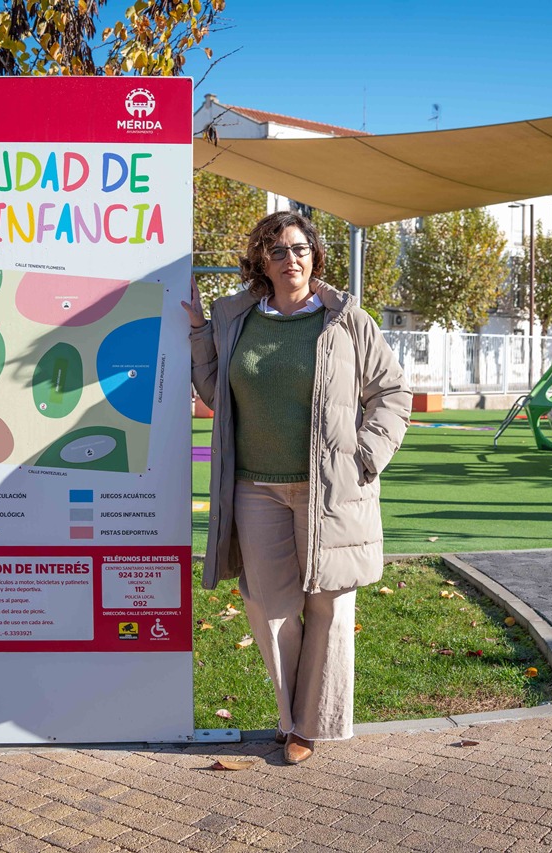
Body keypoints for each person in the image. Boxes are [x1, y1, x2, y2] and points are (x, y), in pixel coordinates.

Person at [185, 211, 410, 764]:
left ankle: (311, 726)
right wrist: (198, 333)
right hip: (254, 488)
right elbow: (216, 392)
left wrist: (365, 456)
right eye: (280, 250)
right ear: (261, 260)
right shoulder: (236, 318)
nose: (292, 259)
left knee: (329, 605)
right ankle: (289, 719)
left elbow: (391, 393)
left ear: (315, 256)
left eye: (301, 249)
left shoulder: (346, 320)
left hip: (329, 489)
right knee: (269, 606)